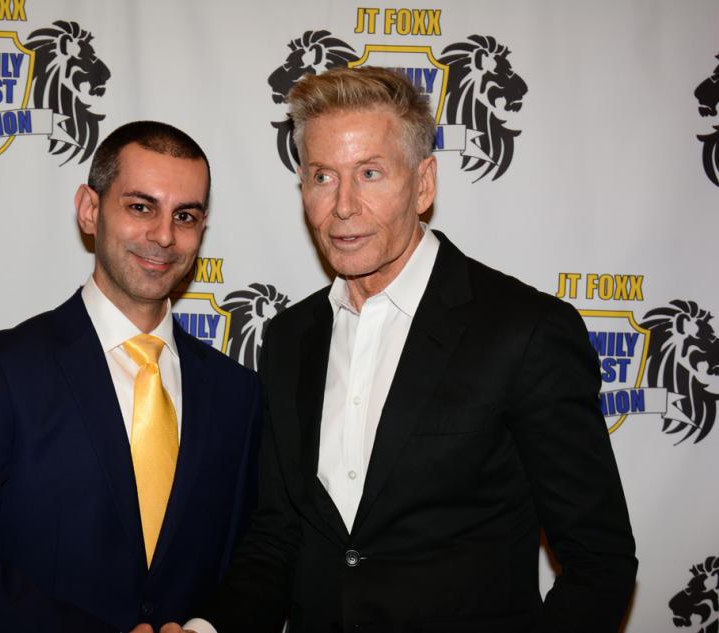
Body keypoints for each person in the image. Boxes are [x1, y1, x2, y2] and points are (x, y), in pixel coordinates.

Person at [171, 67, 637, 633]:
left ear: (423, 184)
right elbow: (278, 535)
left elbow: (600, 561)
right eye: (322, 176)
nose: (343, 206)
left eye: (370, 173)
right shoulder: (290, 338)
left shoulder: (525, 331)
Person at [0, 121, 262, 633]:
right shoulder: (7, 371)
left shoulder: (237, 393)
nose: (163, 236)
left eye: (185, 216)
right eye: (141, 207)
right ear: (90, 209)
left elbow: (252, 559)